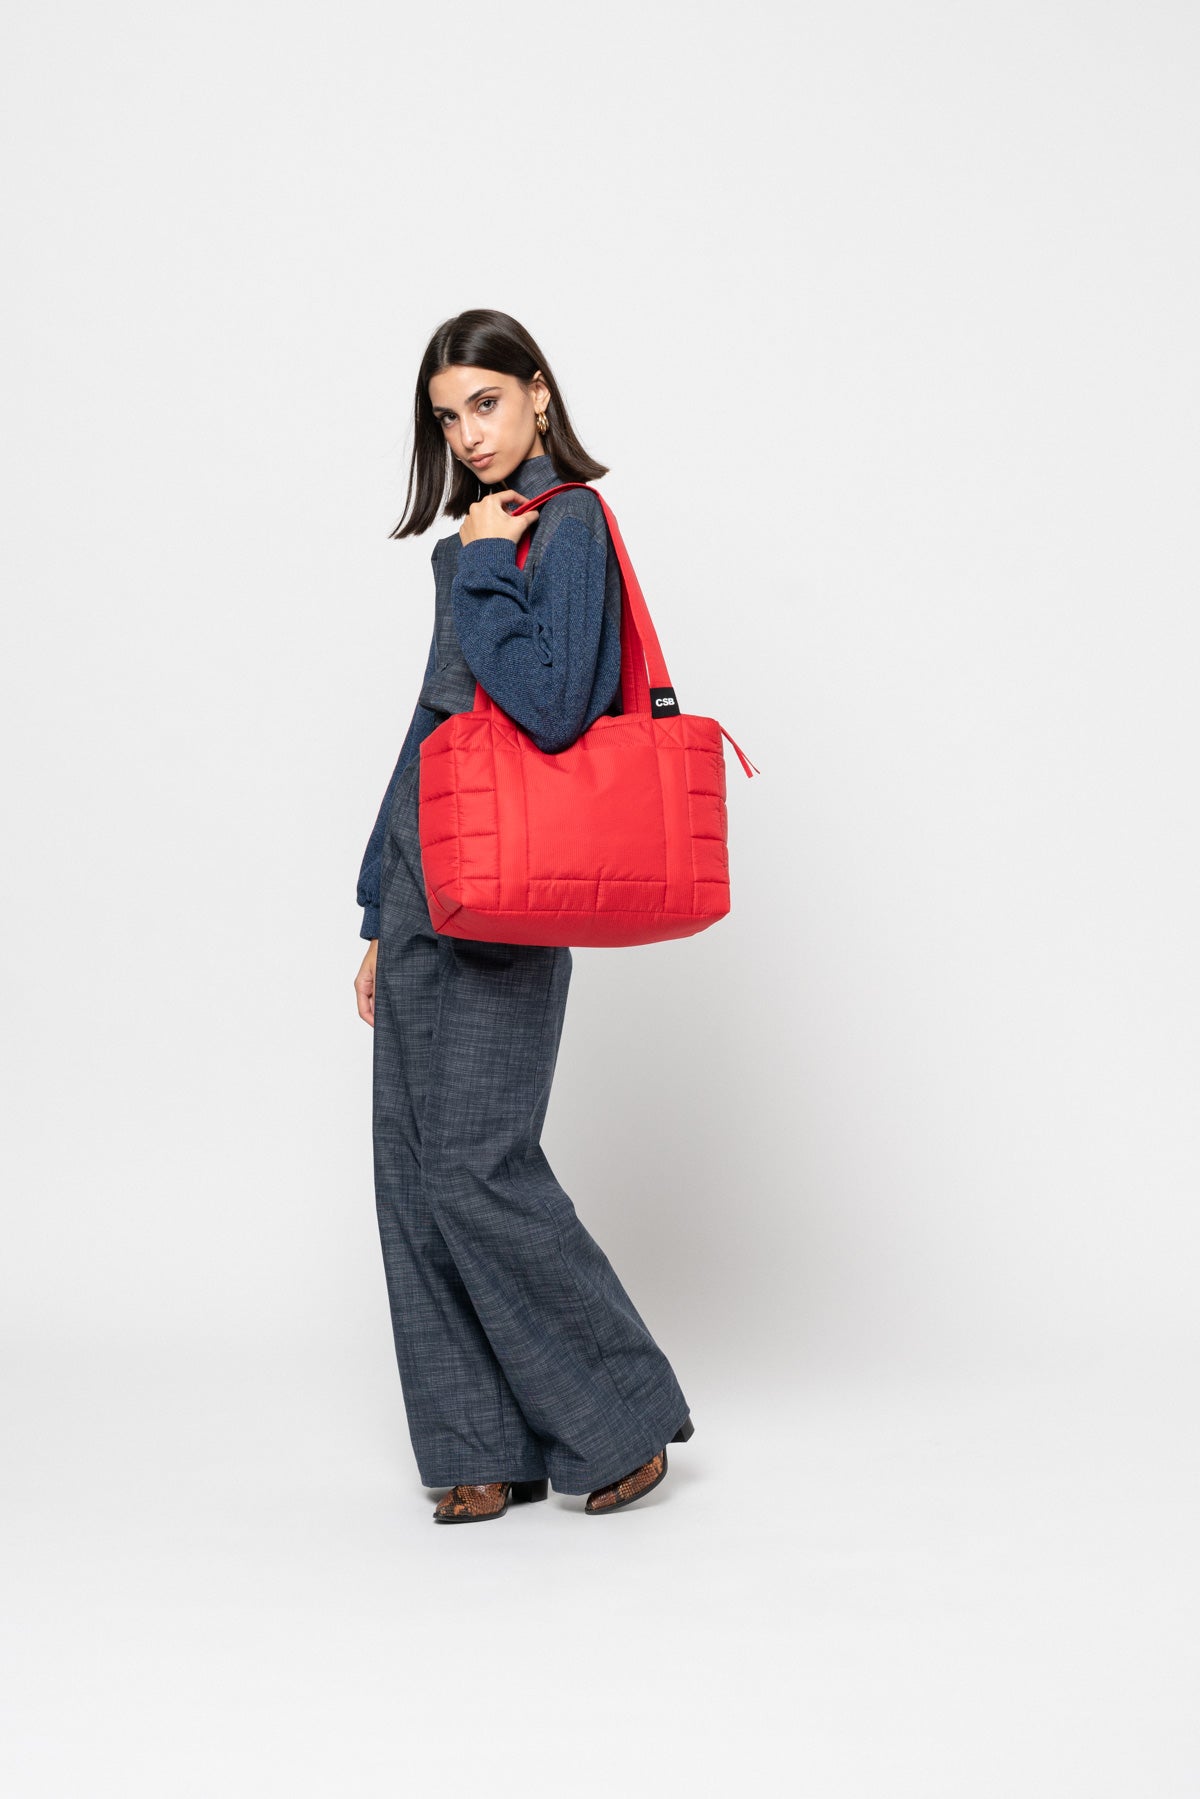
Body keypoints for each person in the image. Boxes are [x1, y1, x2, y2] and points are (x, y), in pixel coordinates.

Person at [352, 309, 694, 1525]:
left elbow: (552, 706)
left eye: (486, 403)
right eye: (448, 417)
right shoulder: (475, 539)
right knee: (412, 1172)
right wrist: (374, 908)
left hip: (506, 884)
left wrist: (488, 562)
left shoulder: (569, 524)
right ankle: (478, 1445)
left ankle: (620, 1417)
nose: (469, 433)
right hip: (423, 877)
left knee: (476, 1165)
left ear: (538, 393)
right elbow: (433, 722)